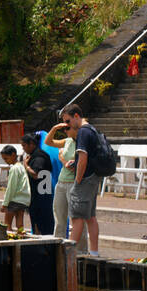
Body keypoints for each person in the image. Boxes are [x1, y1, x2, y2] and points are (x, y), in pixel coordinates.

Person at [62, 103, 103, 260]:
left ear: (76, 116)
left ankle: (69, 254)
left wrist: (77, 180)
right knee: (90, 217)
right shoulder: (92, 129)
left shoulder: (83, 132)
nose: (67, 125)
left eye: (68, 121)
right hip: (94, 176)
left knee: (77, 216)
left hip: (85, 178)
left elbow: (82, 159)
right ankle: (94, 252)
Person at [44, 119, 77, 239]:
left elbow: (72, 166)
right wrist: (54, 128)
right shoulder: (67, 141)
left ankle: (80, 249)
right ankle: (58, 246)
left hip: (73, 183)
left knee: (76, 219)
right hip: (61, 182)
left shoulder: (81, 142)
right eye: (64, 129)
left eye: (68, 128)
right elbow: (48, 141)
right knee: (59, 217)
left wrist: (62, 158)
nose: (65, 131)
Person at [22, 133, 55, 235]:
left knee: (41, 224)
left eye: (24, 146)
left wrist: (26, 166)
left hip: (40, 196)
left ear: (31, 144)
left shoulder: (39, 157)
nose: (23, 149)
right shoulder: (37, 155)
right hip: (41, 195)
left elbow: (36, 174)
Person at [0, 145, 30, 230]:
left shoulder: (14, 169)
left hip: (14, 199)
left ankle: (10, 242)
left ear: (13, 155)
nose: (5, 161)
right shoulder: (21, 166)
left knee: (7, 224)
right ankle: (20, 237)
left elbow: (11, 188)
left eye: (6, 158)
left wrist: (5, 204)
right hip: (23, 199)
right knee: (20, 224)